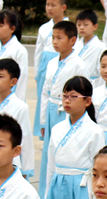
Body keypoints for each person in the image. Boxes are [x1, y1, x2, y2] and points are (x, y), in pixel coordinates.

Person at [39, 21, 89, 198]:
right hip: (52, 107)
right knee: (49, 151)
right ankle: (46, 191)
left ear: (73, 40)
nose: (55, 42)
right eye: (53, 38)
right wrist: (43, 120)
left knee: (65, 146)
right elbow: (45, 91)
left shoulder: (78, 64)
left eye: (59, 38)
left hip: (67, 108)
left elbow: (82, 92)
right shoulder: (52, 62)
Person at [0, 58, 33, 179]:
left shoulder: (20, 107)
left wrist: (26, 168)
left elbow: (26, 138)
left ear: (13, 81)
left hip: (10, 158)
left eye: (1, 76)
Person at [33, 0, 66, 139]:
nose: (49, 8)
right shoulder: (44, 28)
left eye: (53, 5)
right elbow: (38, 52)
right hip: (45, 65)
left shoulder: (69, 27)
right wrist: (37, 72)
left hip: (61, 61)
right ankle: (44, 132)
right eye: (47, 5)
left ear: (63, 7)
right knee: (44, 97)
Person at [0, 10, 28, 103]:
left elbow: (22, 78)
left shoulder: (19, 50)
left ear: (12, 29)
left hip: (9, 91)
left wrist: (18, 101)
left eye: (1, 26)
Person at [74, 11, 104, 81]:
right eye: (79, 25)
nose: (81, 28)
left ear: (95, 26)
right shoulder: (75, 45)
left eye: (85, 25)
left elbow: (101, 72)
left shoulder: (101, 47)